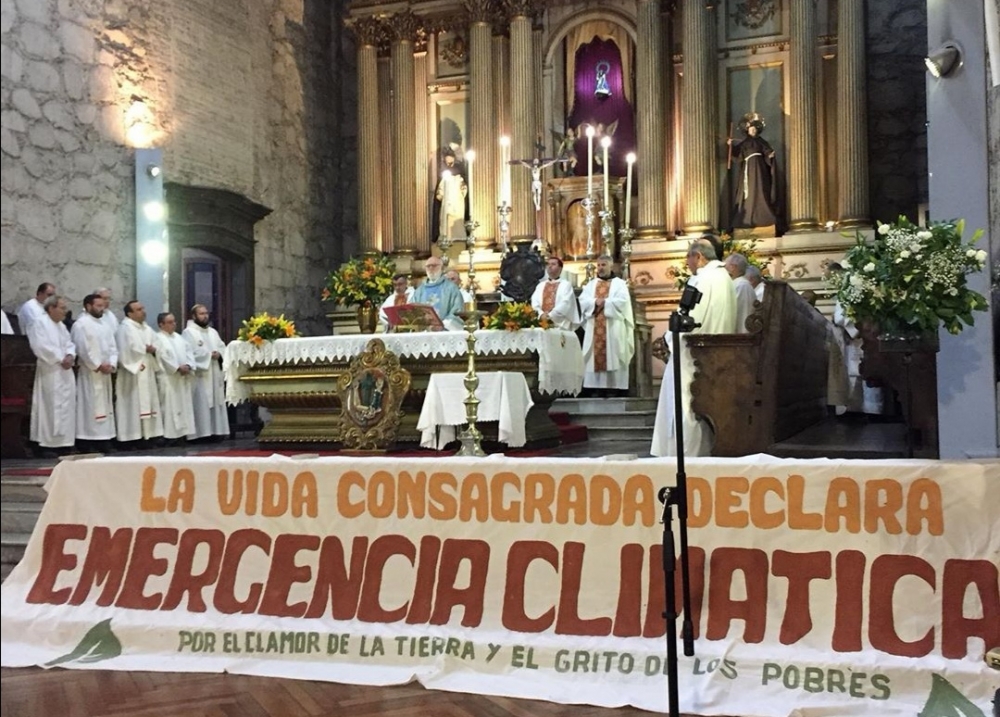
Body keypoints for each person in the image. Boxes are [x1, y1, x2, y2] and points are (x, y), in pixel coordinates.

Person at [651, 240, 737, 457]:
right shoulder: (725, 278)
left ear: (698, 256)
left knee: (684, 405)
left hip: (690, 353)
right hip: (716, 351)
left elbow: (689, 318)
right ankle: (702, 452)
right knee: (704, 406)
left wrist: (668, 338)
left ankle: (684, 455)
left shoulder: (702, 279)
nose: (687, 264)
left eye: (688, 258)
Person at [26, 295, 77, 457]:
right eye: (62, 307)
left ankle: (64, 443)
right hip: (50, 370)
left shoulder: (61, 326)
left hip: (65, 371)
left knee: (66, 406)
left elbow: (70, 343)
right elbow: (40, 346)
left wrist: (70, 355)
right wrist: (60, 358)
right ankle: (46, 445)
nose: (65, 311)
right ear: (51, 308)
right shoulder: (39, 323)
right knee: (50, 406)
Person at [579, 255, 634, 391]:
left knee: (614, 354)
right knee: (594, 357)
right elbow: (583, 301)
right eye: (598, 265)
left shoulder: (620, 284)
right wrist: (594, 302)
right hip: (595, 325)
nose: (600, 268)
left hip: (613, 326)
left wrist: (605, 302)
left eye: (603, 265)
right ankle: (596, 388)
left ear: (611, 266)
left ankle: (614, 388)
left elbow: (623, 301)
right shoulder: (591, 284)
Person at [71, 293, 117, 452]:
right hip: (90, 372)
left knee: (104, 405)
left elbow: (112, 347)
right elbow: (82, 348)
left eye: (102, 305)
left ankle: (104, 438)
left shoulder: (105, 324)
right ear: (88, 306)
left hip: (104, 372)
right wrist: (97, 365)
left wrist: (111, 363)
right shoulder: (81, 324)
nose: (101, 308)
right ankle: (88, 440)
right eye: (98, 306)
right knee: (90, 406)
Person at [115, 300, 164, 446]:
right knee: (133, 404)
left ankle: (148, 436)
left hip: (146, 370)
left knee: (148, 403)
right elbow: (125, 351)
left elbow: (158, 343)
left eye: (143, 308)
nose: (143, 311)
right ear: (129, 313)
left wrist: (153, 349)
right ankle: (132, 437)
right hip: (133, 372)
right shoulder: (125, 328)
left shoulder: (146, 328)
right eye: (138, 309)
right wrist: (144, 349)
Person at [183, 304, 230, 441]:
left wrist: (219, 354)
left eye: (206, 313)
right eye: (201, 314)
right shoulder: (189, 332)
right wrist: (209, 355)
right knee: (201, 403)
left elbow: (222, 347)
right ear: (194, 316)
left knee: (216, 402)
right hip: (201, 375)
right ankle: (201, 434)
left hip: (214, 372)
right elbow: (190, 352)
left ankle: (216, 432)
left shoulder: (212, 332)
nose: (205, 316)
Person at [727, 113, 778, 228]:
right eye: (751, 129)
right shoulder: (744, 143)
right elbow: (737, 156)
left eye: (755, 129)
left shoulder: (762, 142)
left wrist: (770, 156)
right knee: (748, 192)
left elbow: (767, 152)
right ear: (748, 130)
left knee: (761, 189)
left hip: (760, 170)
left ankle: (764, 215)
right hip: (748, 170)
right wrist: (730, 146)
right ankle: (746, 216)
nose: (753, 131)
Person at [154, 312, 196, 443]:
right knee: (169, 407)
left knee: (183, 406)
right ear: (161, 324)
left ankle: (181, 435)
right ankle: (168, 436)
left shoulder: (179, 338)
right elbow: (162, 357)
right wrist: (177, 368)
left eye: (174, 321)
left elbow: (190, 353)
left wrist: (188, 365)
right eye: (170, 322)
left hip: (181, 378)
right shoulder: (157, 338)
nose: (174, 324)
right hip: (169, 378)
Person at [413, 256, 465, 331]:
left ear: (442, 268)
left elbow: (457, 311)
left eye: (434, 266)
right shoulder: (419, 291)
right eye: (428, 266)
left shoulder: (451, 288)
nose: (431, 268)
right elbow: (412, 310)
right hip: (424, 332)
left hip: (444, 332)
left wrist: (443, 325)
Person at [530, 256, 581, 331]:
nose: (550, 266)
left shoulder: (565, 285)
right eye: (548, 264)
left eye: (553, 264)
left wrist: (550, 315)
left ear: (560, 268)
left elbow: (566, 303)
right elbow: (534, 302)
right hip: (541, 323)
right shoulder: (540, 285)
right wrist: (541, 314)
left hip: (559, 324)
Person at [434, 151, 467, 244]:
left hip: (457, 201)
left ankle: (458, 236)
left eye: (451, 163)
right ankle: (446, 237)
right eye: (447, 163)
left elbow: (463, 188)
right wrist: (440, 194)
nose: (449, 165)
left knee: (457, 221)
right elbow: (440, 190)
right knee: (446, 221)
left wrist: (463, 188)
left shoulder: (459, 175)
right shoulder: (443, 175)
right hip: (447, 202)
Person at [724, 253, 758, 334]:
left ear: (732, 267)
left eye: (725, 266)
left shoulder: (739, 285)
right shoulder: (741, 284)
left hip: (739, 336)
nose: (724, 269)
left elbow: (731, 313)